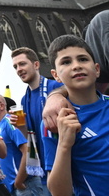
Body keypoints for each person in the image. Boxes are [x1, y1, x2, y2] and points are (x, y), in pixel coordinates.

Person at [45, 34, 109, 196]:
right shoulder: (57, 120)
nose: (76, 66)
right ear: (55, 75)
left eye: (82, 59)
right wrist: (64, 145)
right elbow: (59, 193)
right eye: (66, 62)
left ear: (96, 69)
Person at [11, 47, 61, 194]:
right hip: (45, 171)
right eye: (15, 67)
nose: (19, 69)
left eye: (22, 64)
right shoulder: (24, 99)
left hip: (67, 166)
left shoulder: (56, 89)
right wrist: (21, 128)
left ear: (36, 65)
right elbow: (32, 138)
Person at [0, 93, 29, 195]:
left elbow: (28, 150)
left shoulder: (10, 122)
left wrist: (19, 181)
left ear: (2, 106)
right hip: (7, 188)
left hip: (22, 187)